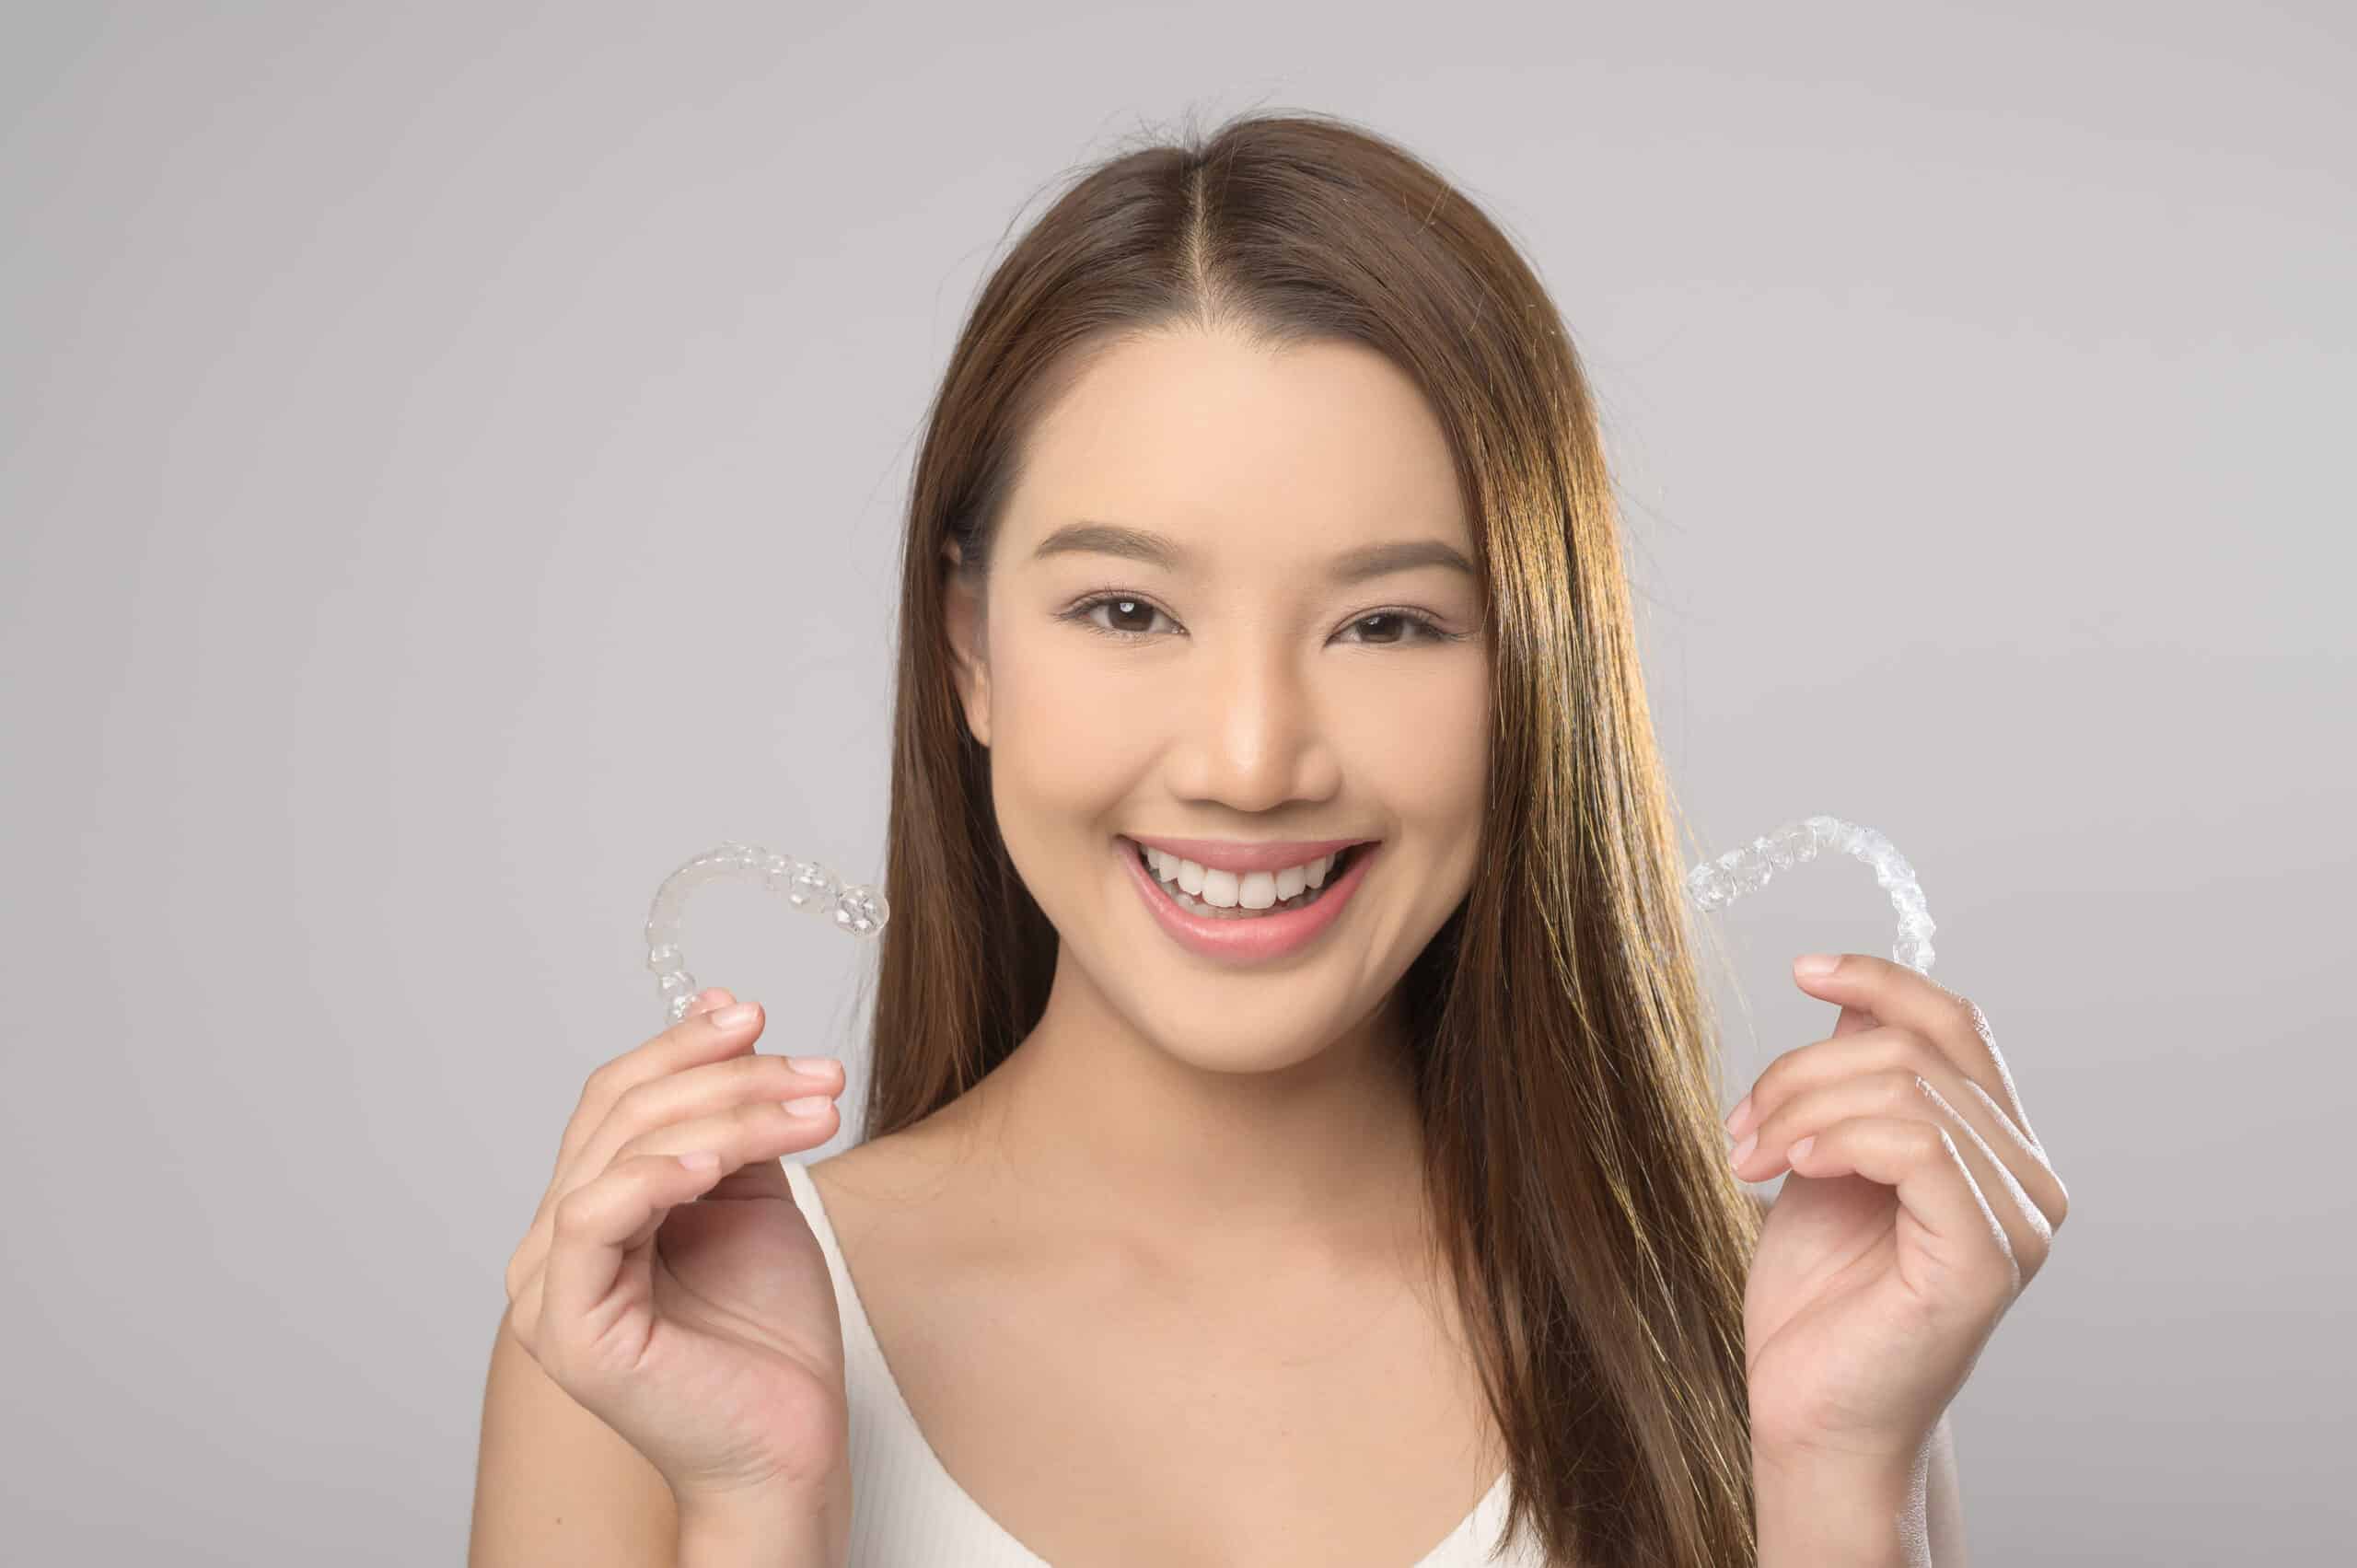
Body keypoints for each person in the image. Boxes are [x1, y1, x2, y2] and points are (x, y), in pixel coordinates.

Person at [473, 110, 2060, 1567]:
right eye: (1126, 609)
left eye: (1385, 624)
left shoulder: (1765, 1332)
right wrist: (756, 1505)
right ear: (969, 647)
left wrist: (1842, 1476)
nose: (1250, 762)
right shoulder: (661, 1343)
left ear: (1536, 675)